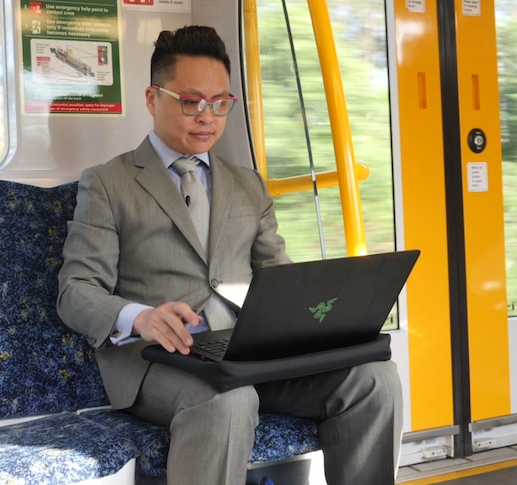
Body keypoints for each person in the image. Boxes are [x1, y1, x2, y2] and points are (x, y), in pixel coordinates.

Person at [57, 25, 402, 485]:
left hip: (248, 353)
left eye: (221, 103)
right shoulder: (108, 183)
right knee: (228, 397)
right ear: (151, 98)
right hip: (159, 361)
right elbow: (76, 290)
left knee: (376, 380)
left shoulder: (247, 185)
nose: (207, 117)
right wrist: (139, 317)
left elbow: (279, 276)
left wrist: (327, 318)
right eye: (191, 101)